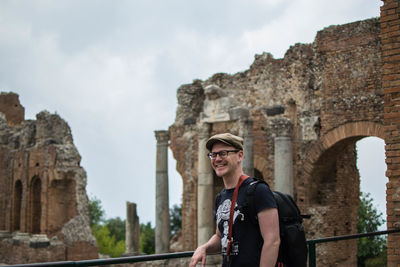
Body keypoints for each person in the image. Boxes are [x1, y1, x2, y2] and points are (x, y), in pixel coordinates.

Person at [189, 133, 280, 267]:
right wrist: (204, 247)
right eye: (213, 155)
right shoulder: (221, 197)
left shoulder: (259, 191)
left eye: (223, 153)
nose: (217, 159)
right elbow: (221, 237)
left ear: (240, 156)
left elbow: (272, 241)